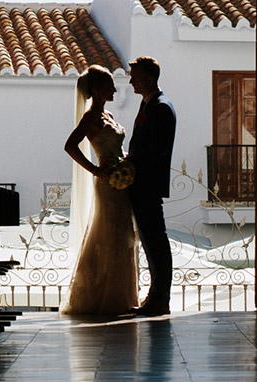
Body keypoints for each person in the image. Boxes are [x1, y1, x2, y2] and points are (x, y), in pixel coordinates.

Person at [59, 65, 138, 316]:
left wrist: (125, 162)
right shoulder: (91, 117)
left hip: (120, 180)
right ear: (96, 89)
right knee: (109, 233)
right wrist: (95, 169)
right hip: (106, 182)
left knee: (122, 232)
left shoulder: (109, 116)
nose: (115, 89)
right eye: (109, 85)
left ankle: (121, 295)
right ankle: (103, 296)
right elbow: (70, 146)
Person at [125, 56, 177, 316]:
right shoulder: (148, 105)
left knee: (156, 241)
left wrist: (131, 166)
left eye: (135, 75)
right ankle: (155, 298)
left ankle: (160, 298)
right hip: (140, 184)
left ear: (149, 77)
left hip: (148, 184)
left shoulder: (161, 107)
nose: (131, 80)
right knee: (149, 241)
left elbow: (156, 150)